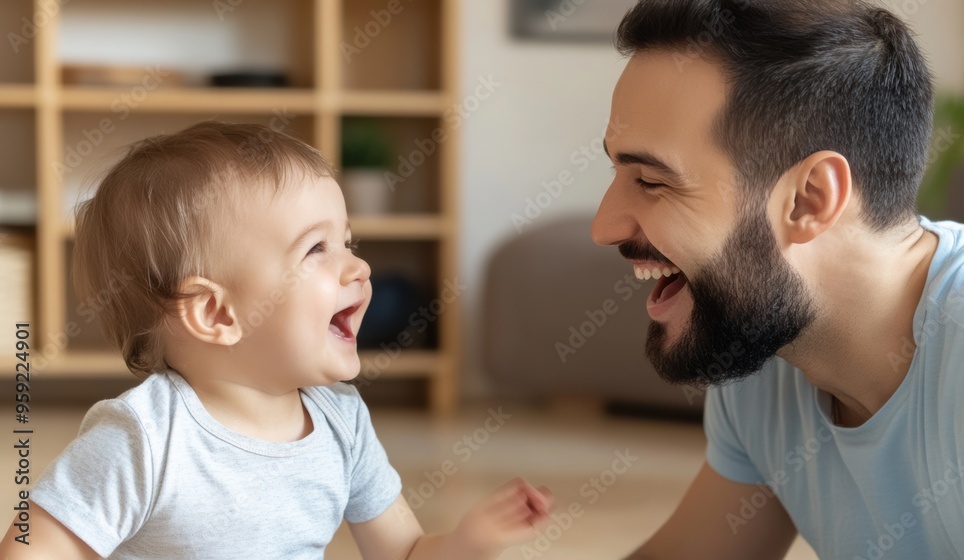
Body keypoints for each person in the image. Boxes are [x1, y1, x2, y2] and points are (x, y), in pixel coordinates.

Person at [0, 122, 552, 559]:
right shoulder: (144, 437)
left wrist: (473, 540)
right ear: (216, 312)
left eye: (348, 241)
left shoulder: (342, 421)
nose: (357, 265)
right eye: (316, 249)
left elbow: (403, 553)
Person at [591, 0, 964, 558]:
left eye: (653, 181)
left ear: (810, 199)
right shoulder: (764, 338)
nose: (603, 226)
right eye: (617, 171)